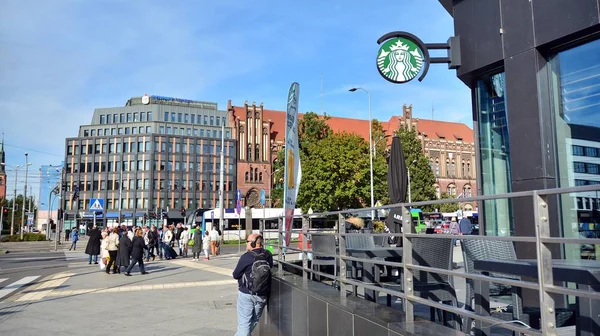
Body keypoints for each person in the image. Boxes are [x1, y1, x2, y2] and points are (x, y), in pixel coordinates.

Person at [232, 233, 273, 336]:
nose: (246, 244)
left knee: (244, 324)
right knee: (254, 321)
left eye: (247, 242)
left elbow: (236, 274)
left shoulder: (246, 257)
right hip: (262, 294)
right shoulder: (268, 255)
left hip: (246, 293)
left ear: (253, 243)